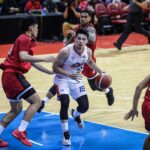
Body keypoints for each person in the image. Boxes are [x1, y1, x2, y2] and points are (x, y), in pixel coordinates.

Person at [37, 10, 114, 113]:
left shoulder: (90, 28)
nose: (82, 18)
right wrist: (66, 46)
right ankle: (44, 102)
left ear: (90, 18)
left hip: (86, 61)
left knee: (94, 86)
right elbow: (72, 40)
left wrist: (80, 36)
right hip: (74, 59)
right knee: (61, 79)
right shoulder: (78, 27)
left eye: (85, 17)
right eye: (81, 16)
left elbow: (92, 39)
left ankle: (108, 91)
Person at [0, 16, 55, 147]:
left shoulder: (24, 40)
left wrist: (49, 72)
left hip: (8, 76)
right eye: (36, 27)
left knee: (16, 109)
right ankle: (20, 131)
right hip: (13, 75)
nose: (37, 30)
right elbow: (23, 56)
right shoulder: (24, 38)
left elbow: (30, 60)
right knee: (36, 101)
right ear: (30, 27)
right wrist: (45, 58)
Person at [52, 28, 107, 146]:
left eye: (83, 39)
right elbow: (55, 67)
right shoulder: (65, 51)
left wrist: (101, 72)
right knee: (65, 102)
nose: (80, 41)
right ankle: (66, 133)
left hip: (76, 79)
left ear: (87, 41)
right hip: (62, 78)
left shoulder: (88, 51)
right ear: (75, 39)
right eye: (78, 38)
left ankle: (75, 114)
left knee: (84, 106)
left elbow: (90, 63)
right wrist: (68, 75)